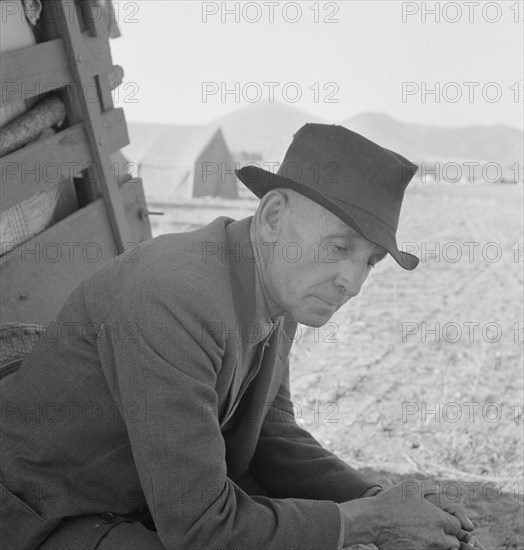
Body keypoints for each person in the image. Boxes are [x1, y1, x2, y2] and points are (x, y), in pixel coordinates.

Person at [0, 123, 483, 549]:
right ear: (273, 217)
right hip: (49, 517)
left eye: (370, 261)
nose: (352, 284)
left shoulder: (279, 290)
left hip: (140, 504)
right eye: (338, 247)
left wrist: (376, 500)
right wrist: (366, 524)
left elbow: (270, 430)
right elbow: (202, 531)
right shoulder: (174, 299)